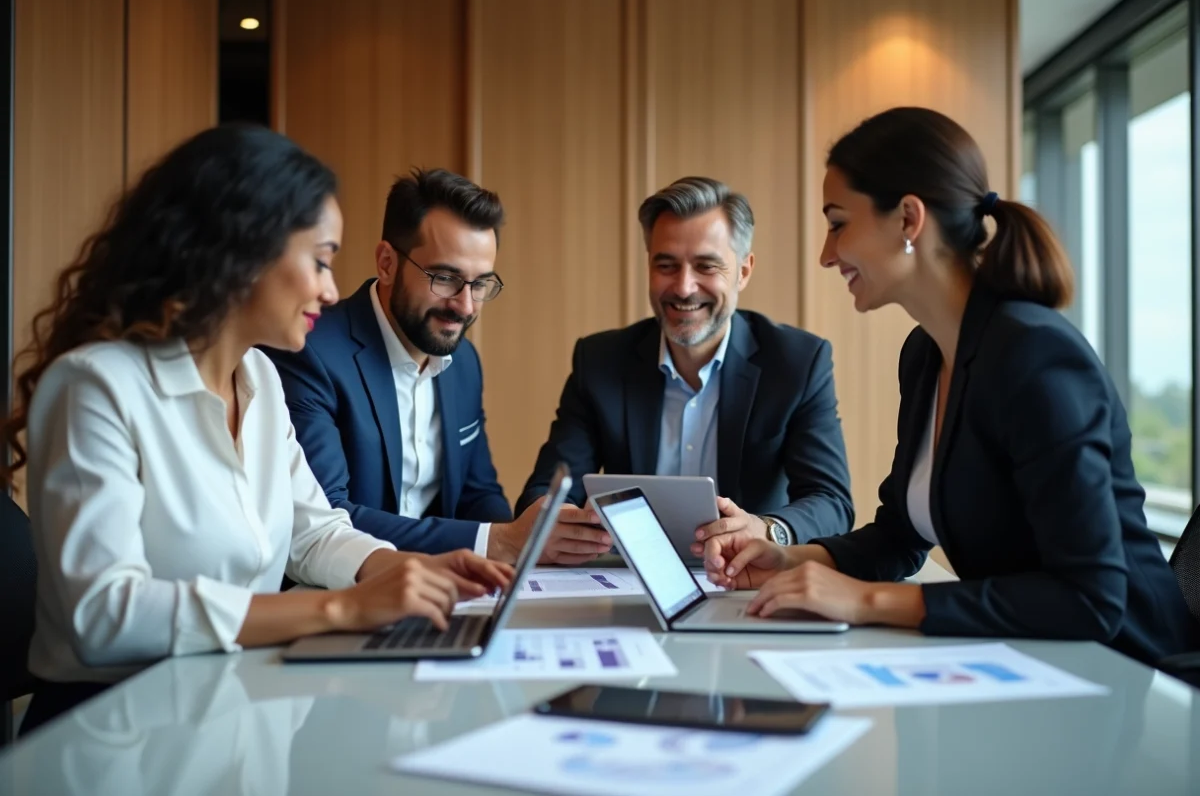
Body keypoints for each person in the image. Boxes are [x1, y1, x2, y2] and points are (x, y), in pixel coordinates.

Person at [4, 126, 513, 734]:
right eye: (320, 260)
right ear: (241, 255)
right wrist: (339, 608)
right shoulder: (96, 386)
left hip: (235, 713)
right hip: (115, 735)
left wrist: (400, 570)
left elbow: (314, 530)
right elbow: (103, 613)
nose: (331, 288)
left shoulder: (260, 380)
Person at [703, 107, 1198, 664]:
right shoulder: (925, 354)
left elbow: (1091, 598)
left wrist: (866, 601)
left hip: (1132, 669)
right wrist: (790, 560)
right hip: (1028, 660)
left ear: (908, 219)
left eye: (838, 223)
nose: (826, 254)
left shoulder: (1036, 355)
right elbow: (899, 538)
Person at [263, 169, 610, 564]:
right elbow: (327, 519)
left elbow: (477, 495)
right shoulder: (310, 352)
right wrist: (499, 542)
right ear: (387, 263)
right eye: (445, 278)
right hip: (340, 586)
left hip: (441, 586)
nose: (465, 306)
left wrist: (522, 552)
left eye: (480, 284)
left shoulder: (464, 363)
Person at [519, 177, 855, 556]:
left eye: (706, 266)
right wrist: (558, 520)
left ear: (743, 271)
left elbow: (831, 502)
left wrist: (767, 529)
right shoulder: (599, 361)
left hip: (747, 575)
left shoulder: (797, 363)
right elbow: (545, 490)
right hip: (627, 575)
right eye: (666, 265)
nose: (683, 287)